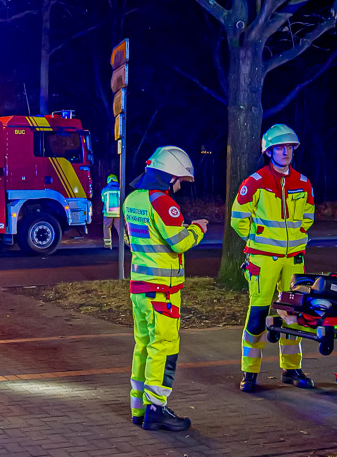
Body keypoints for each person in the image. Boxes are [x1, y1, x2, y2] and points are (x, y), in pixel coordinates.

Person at [123, 146, 209, 431]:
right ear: (169, 176)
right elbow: (179, 242)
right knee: (164, 347)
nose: (180, 186)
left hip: (140, 287)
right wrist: (197, 228)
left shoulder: (132, 199)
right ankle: (156, 408)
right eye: (180, 180)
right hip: (162, 292)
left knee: (143, 346)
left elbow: (135, 239)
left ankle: (138, 408)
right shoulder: (162, 202)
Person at [230, 124, 316, 392]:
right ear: (269, 152)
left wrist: (298, 234)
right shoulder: (254, 182)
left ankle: (291, 369)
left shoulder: (303, 182)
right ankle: (249, 372)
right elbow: (238, 219)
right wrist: (258, 238)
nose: (286, 152)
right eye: (280, 148)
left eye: (289, 147)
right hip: (263, 259)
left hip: (294, 259)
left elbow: (309, 216)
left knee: (293, 315)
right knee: (257, 315)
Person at [101, 174, 122, 248]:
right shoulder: (120, 189)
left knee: (107, 228)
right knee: (120, 228)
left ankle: (107, 245)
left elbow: (103, 199)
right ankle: (124, 244)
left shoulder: (105, 190)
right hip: (118, 213)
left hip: (108, 213)